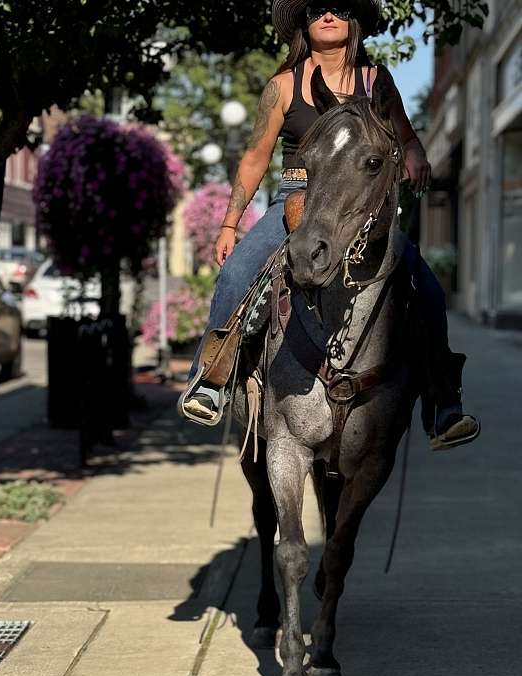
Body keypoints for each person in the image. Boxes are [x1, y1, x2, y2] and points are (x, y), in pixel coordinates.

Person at [180, 0, 479, 451]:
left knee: (428, 290)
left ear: (353, 21)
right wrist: (228, 225)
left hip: (359, 208)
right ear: (304, 22)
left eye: (339, 7)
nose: (328, 14)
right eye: (318, 7)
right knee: (237, 274)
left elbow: (405, 135)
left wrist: (415, 155)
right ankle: (210, 379)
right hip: (296, 199)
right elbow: (255, 156)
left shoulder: (376, 80)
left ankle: (442, 405)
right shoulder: (282, 86)